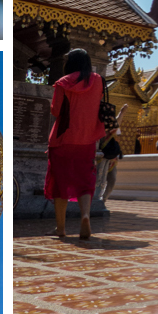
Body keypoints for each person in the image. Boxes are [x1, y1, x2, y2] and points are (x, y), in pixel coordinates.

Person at [46, 49, 105, 240]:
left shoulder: (63, 83)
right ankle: (85, 216)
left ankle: (61, 228)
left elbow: (56, 111)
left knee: (60, 183)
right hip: (87, 140)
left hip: (63, 140)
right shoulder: (97, 80)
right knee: (85, 181)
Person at [97, 104, 129, 202]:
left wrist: (122, 112)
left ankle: (104, 199)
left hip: (112, 158)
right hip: (100, 157)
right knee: (100, 179)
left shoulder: (113, 127)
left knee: (112, 179)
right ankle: (96, 200)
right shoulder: (98, 126)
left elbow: (117, 124)